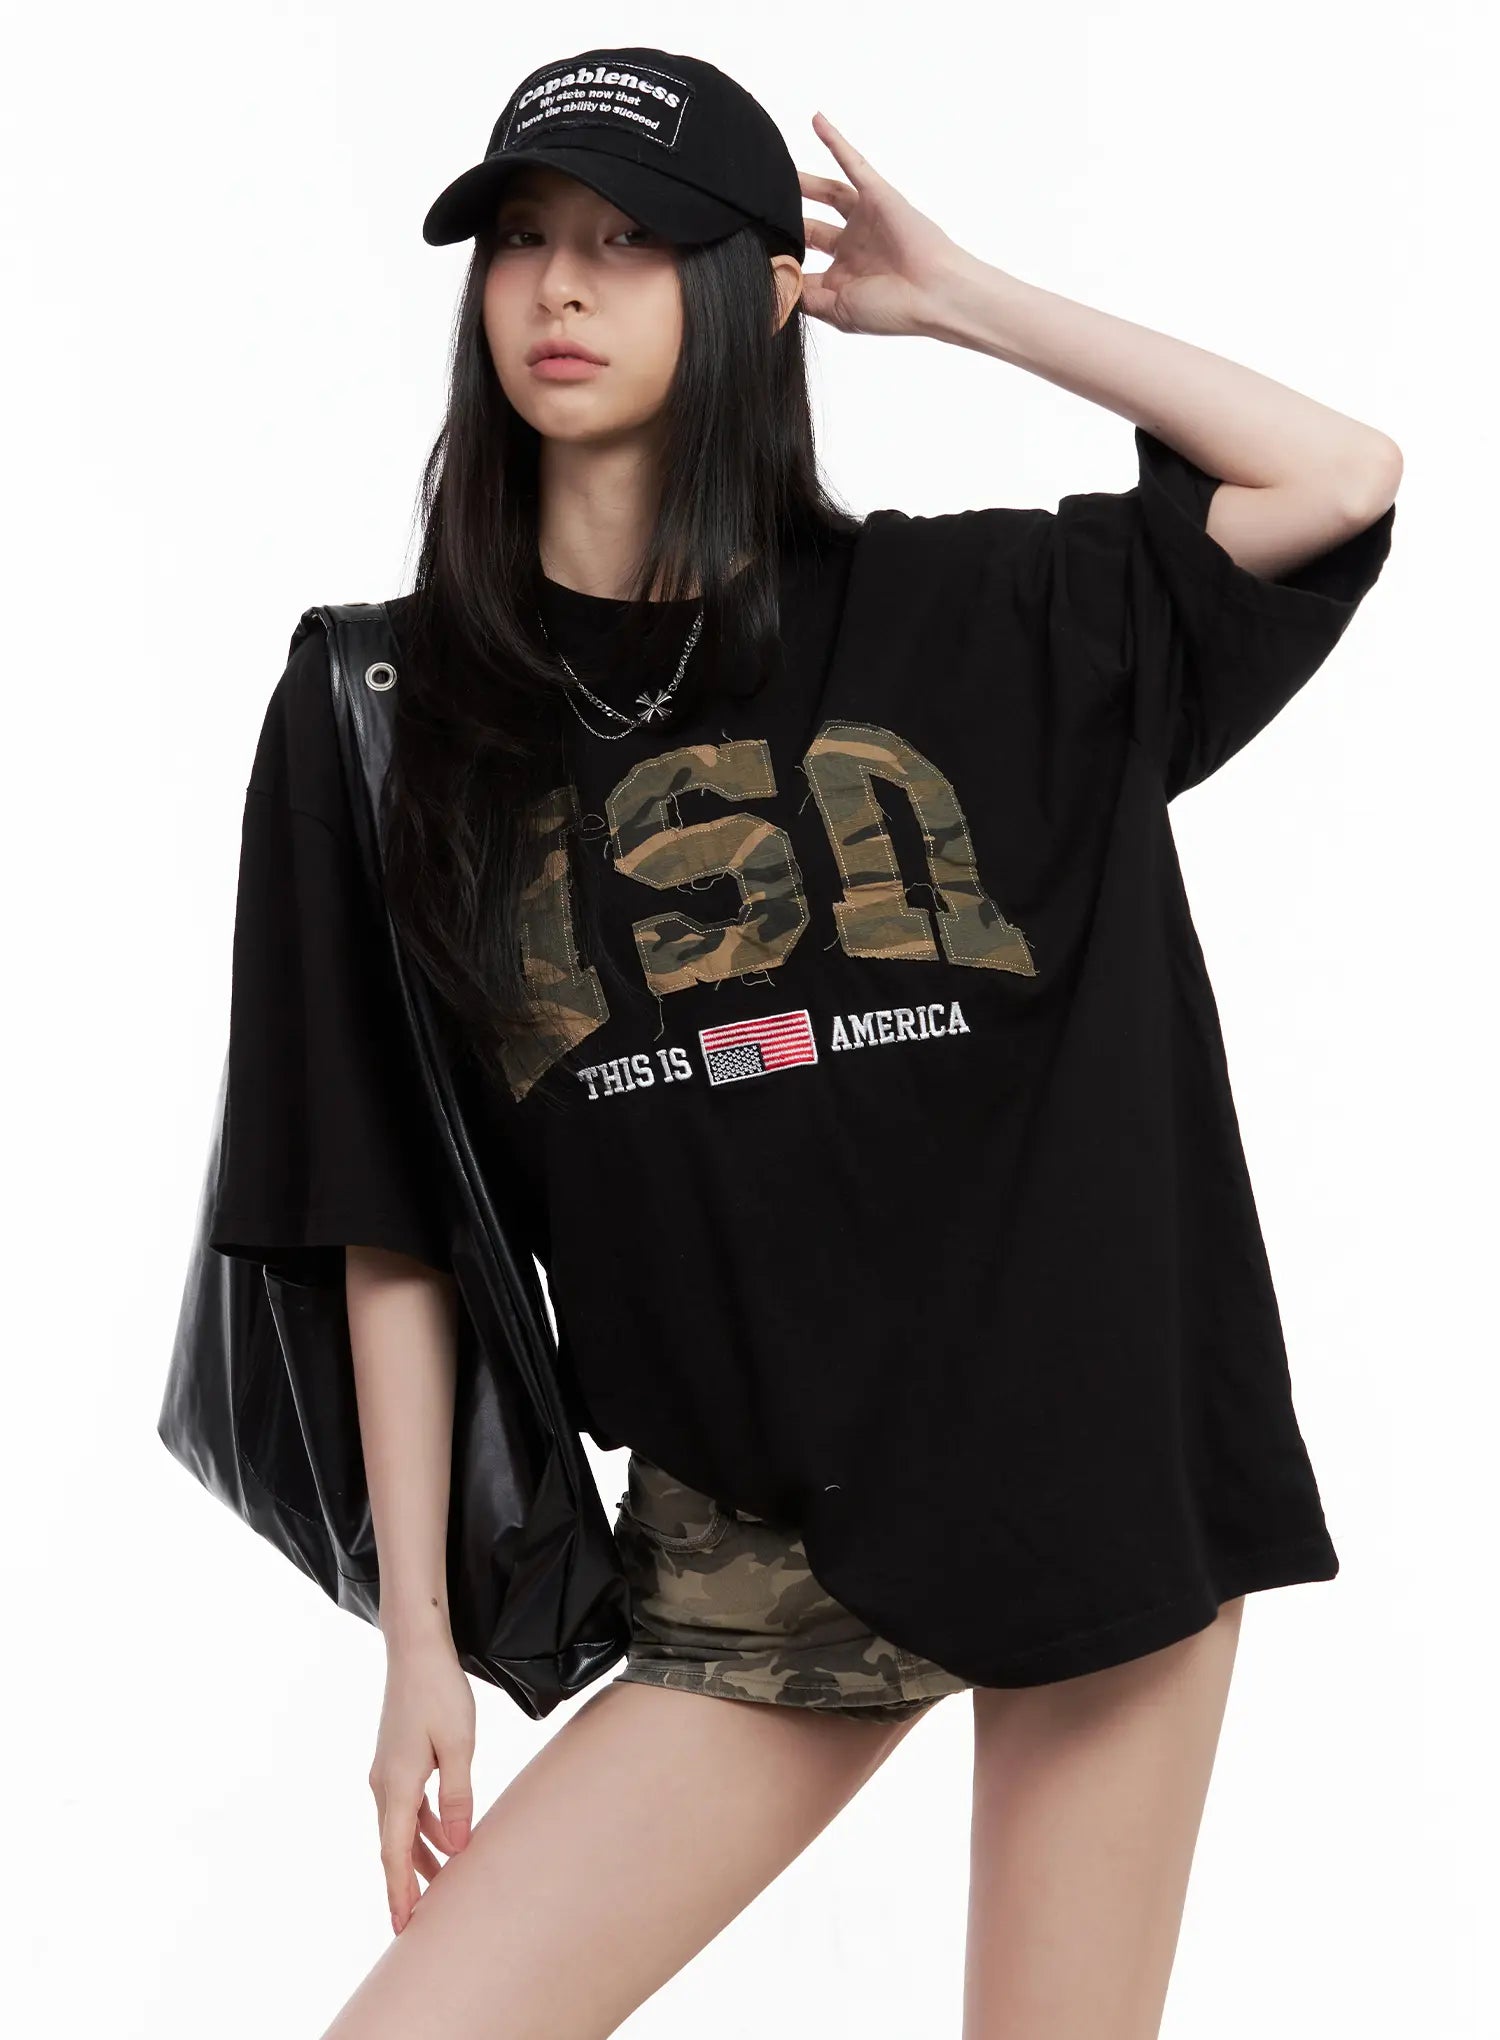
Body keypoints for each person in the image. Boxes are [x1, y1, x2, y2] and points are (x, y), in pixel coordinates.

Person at [208, 46, 1399, 2040]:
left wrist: (959, 301)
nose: (560, 286)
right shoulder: (388, 713)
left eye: (632, 241)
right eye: (522, 239)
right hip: (747, 1544)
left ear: (763, 290)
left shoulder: (988, 613)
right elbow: (383, 1204)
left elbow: (1337, 474)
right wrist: (414, 1643)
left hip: (1084, 1481)